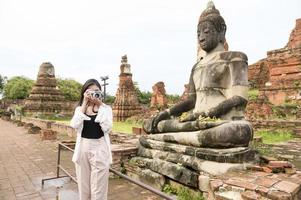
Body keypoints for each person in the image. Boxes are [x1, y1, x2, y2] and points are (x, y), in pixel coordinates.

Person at [142, 1, 253, 148]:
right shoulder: (196, 66)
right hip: (195, 122)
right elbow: (191, 101)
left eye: (206, 32)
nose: (201, 37)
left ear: (221, 31)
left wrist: (206, 114)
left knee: (239, 131)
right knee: (152, 124)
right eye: (198, 33)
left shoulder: (234, 58)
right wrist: (167, 113)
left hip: (218, 122)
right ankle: (188, 137)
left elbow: (239, 97)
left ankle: (180, 139)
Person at [70, 79, 113, 200]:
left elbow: (107, 128)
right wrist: (84, 103)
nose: (94, 94)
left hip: (100, 148)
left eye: (97, 91)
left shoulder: (106, 109)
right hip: (83, 147)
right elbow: (74, 125)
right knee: (83, 186)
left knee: (98, 188)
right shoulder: (80, 109)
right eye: (90, 91)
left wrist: (100, 105)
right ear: (84, 92)